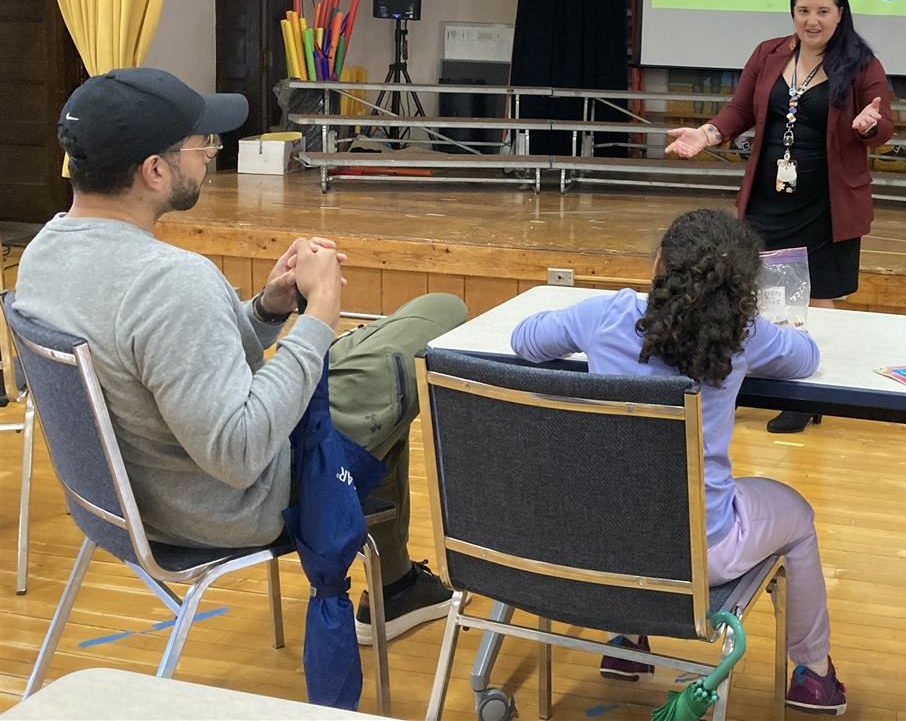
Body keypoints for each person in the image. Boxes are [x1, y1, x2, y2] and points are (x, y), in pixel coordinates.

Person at [14, 68, 468, 644]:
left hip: (129, 507)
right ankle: (396, 585)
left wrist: (268, 310)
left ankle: (397, 587)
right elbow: (239, 452)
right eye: (200, 144)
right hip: (234, 504)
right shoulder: (171, 282)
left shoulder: (42, 254)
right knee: (439, 314)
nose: (209, 153)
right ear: (155, 171)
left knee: (382, 372)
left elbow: (168, 370)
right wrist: (319, 317)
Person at [509, 209, 848, 714]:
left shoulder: (604, 315)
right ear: (742, 291)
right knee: (796, 514)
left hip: (602, 541)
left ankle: (625, 642)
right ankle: (811, 672)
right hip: (702, 552)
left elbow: (524, 340)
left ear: (657, 265)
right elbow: (805, 357)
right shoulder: (745, 335)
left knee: (633, 489)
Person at [665, 0, 895, 433]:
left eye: (823, 12)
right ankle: (750, 381)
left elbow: (882, 127)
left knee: (820, 296)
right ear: (793, 14)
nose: (812, 21)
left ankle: (811, 394)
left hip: (827, 201)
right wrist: (706, 134)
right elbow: (741, 110)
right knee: (755, 291)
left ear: (840, 14)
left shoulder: (861, 63)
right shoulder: (769, 53)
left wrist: (869, 126)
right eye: (803, 11)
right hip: (769, 196)